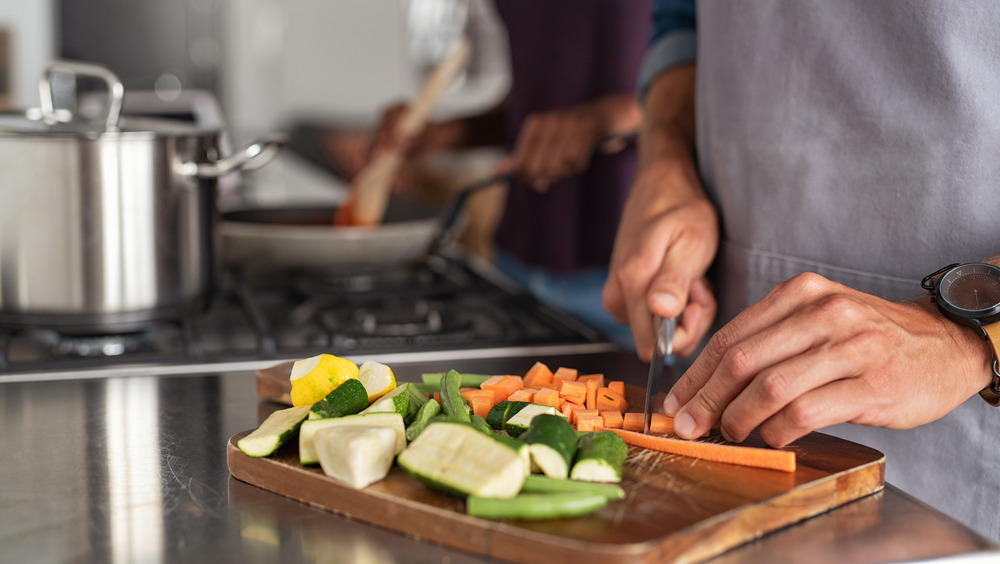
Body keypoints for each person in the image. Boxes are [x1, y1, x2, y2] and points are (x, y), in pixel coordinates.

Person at [602, 0, 1000, 539]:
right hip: (726, 435)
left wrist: (965, 332)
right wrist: (667, 160)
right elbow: (683, 21)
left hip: (963, 462)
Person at [348, 0, 651, 348]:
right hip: (515, 266)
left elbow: (710, 86)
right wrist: (448, 133)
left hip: (633, 271)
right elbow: (538, 95)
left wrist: (612, 116)